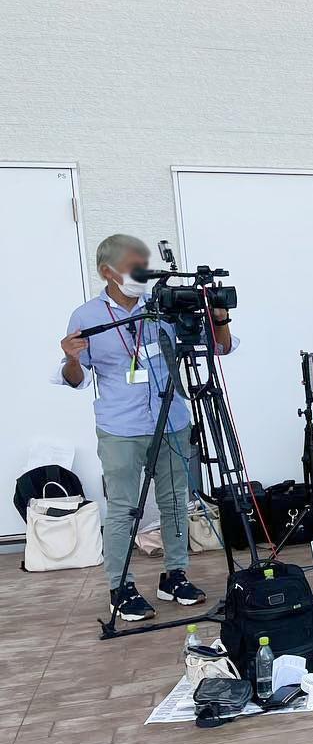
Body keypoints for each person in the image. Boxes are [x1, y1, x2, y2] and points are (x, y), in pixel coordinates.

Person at [56, 234, 237, 621]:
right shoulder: (86, 316)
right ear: (107, 271)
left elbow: (220, 347)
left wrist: (219, 316)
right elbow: (76, 378)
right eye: (133, 266)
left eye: (144, 264)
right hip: (120, 428)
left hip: (172, 421)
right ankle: (119, 586)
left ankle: (175, 575)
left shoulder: (164, 306)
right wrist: (70, 359)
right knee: (124, 508)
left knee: (175, 502)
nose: (142, 273)